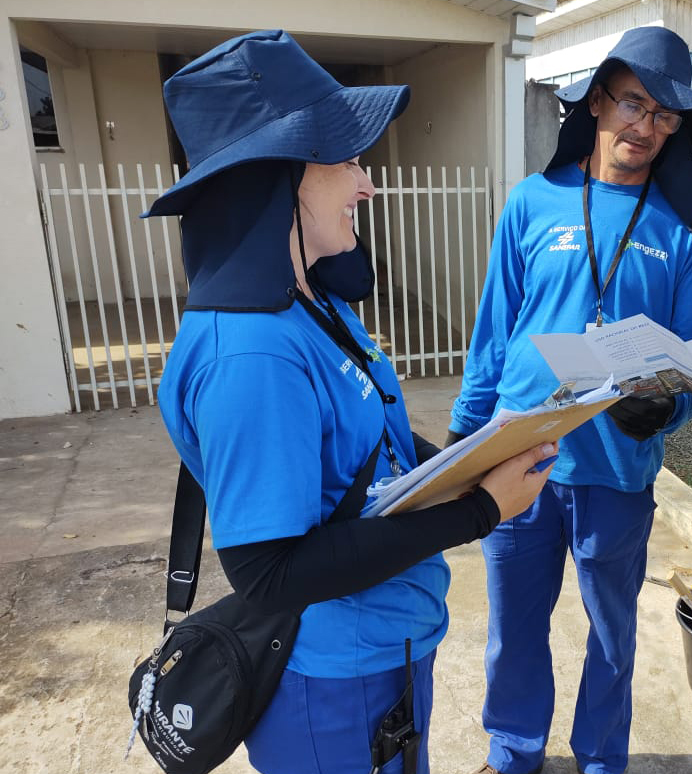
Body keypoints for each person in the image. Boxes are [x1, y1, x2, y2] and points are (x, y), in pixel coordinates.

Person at [145, 30, 556, 774]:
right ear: (279, 179)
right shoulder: (255, 356)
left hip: (384, 650)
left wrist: (481, 457)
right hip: (329, 686)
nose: (367, 184)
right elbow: (269, 572)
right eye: (346, 161)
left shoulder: (309, 301)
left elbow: (377, 450)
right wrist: (478, 512)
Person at [446, 26, 692, 774]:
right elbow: (494, 335)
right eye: (634, 104)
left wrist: (668, 410)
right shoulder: (534, 202)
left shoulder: (689, 227)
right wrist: (463, 441)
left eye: (666, 116)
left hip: (617, 471)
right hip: (518, 463)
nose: (647, 127)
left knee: (611, 637)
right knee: (514, 632)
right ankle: (514, 753)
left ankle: (602, 760)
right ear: (598, 101)